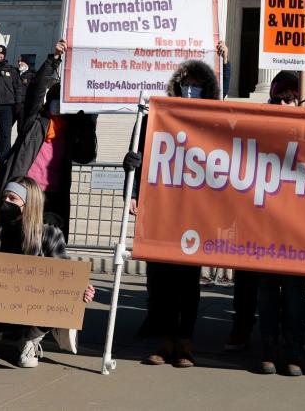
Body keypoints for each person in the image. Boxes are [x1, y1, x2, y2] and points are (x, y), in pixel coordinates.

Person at [124, 41, 229, 368]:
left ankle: (186, 341)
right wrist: (134, 182)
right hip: (164, 207)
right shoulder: (161, 115)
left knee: (188, 280)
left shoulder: (212, 118)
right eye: (188, 84)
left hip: (196, 209)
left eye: (198, 85)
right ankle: (166, 341)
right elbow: (143, 149)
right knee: (165, 280)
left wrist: (224, 63)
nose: (192, 90)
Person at [0, 176, 95, 369]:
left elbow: (65, 276)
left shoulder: (49, 233)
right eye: (3, 198)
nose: (5, 203)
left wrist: (82, 289)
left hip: (30, 312)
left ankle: (30, 340)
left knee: (67, 294)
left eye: (12, 199)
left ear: (29, 204)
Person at [0, 39, 97, 232]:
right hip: (24, 191)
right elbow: (36, 89)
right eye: (55, 98)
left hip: (52, 196)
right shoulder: (34, 122)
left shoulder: (71, 131)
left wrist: (89, 118)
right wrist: (54, 60)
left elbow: (85, 156)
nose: (59, 105)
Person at [254, 72, 305, 375]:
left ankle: (294, 349)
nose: (287, 103)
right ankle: (268, 346)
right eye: (281, 98)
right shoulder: (261, 123)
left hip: (298, 224)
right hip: (267, 221)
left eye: (292, 97)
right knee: (267, 288)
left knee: (294, 290)